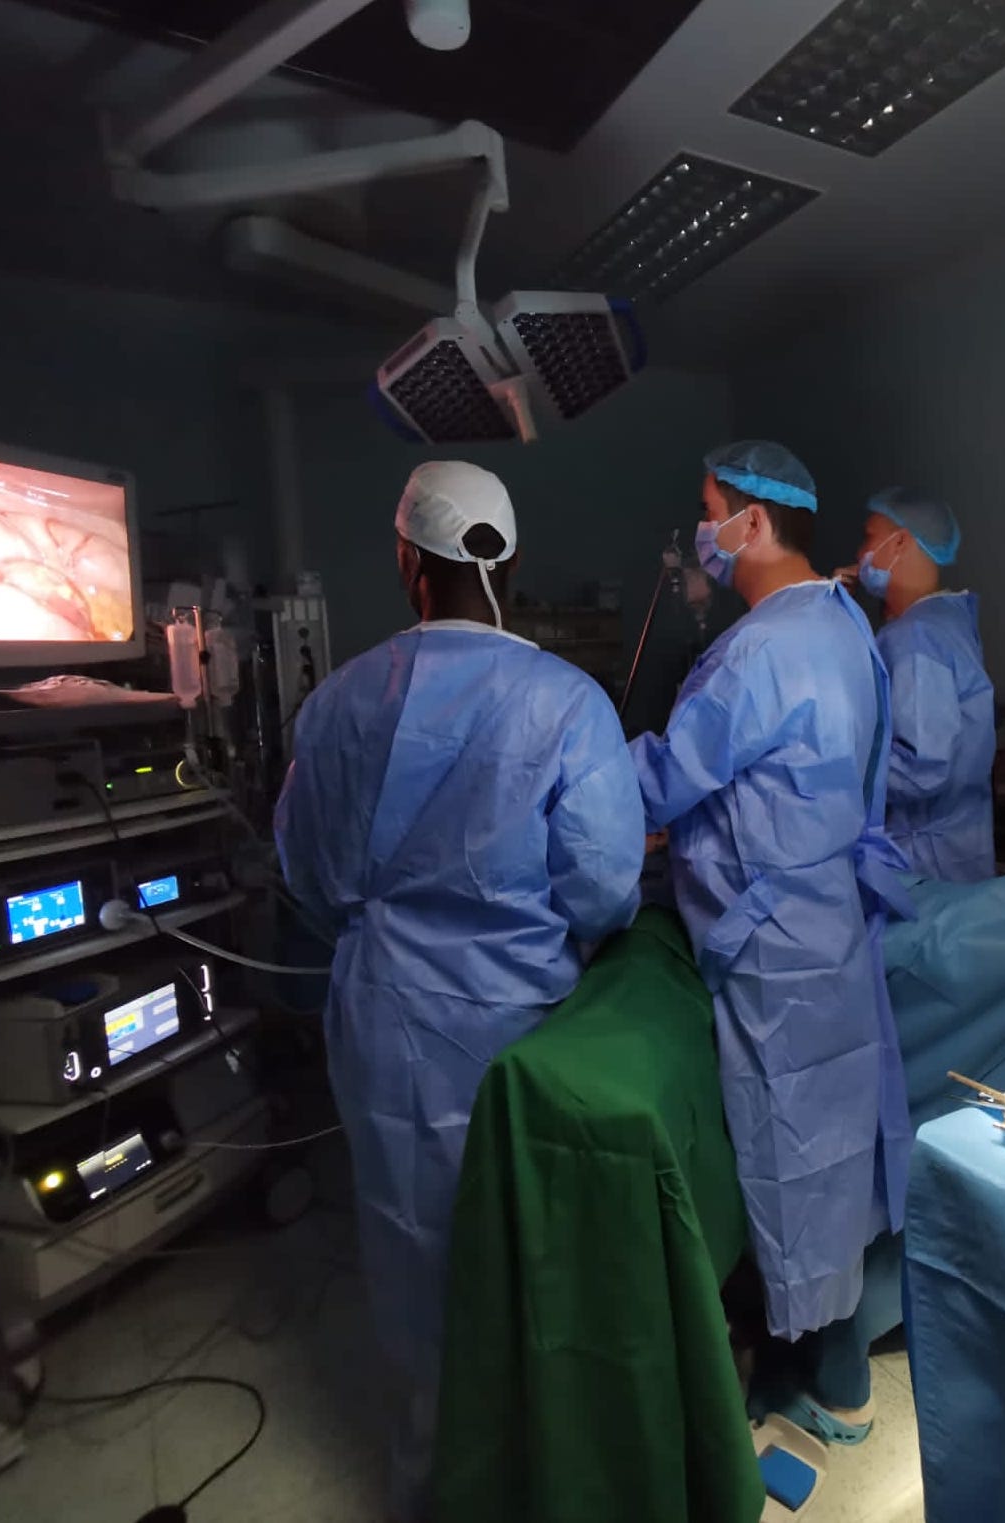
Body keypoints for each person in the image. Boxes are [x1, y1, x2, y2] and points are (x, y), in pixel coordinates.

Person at [275, 461, 644, 1516]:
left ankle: (434, 1479)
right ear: (511, 563)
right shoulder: (565, 702)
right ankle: (540, 1470)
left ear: (407, 561)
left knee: (412, 1253)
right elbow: (606, 886)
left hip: (383, 1016)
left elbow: (305, 870)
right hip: (523, 1028)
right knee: (529, 1251)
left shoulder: (337, 703)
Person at [632, 440, 913, 1443]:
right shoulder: (843, 624)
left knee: (788, 1152)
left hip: (769, 944)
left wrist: (578, 781)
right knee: (836, 1149)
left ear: (752, 520)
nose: (700, 531)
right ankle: (838, 1365)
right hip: (829, 920)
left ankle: (800, 1370)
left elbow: (665, 779)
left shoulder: (753, 651)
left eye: (709, 508)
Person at [839, 488, 997, 882]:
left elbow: (921, 768)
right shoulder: (945, 622)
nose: (861, 553)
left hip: (921, 861)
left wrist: (835, 771)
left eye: (869, 537)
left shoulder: (917, 636)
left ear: (901, 542)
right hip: (955, 851)